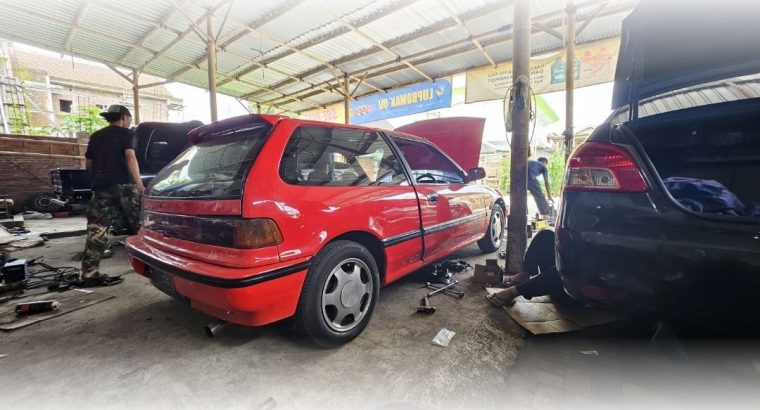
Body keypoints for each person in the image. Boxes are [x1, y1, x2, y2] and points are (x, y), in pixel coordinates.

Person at [79, 105, 144, 286]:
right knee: (141, 226)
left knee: (97, 229)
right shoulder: (127, 133)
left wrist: (94, 182)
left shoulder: (96, 136)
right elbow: (130, 156)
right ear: (124, 117)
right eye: (129, 118)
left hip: (101, 186)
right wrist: (138, 183)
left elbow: (89, 163)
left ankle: (89, 273)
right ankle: (152, 266)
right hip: (123, 185)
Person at [486, 229, 574, 307]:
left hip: (571, 292)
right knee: (545, 235)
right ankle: (525, 273)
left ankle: (514, 292)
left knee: (565, 269)